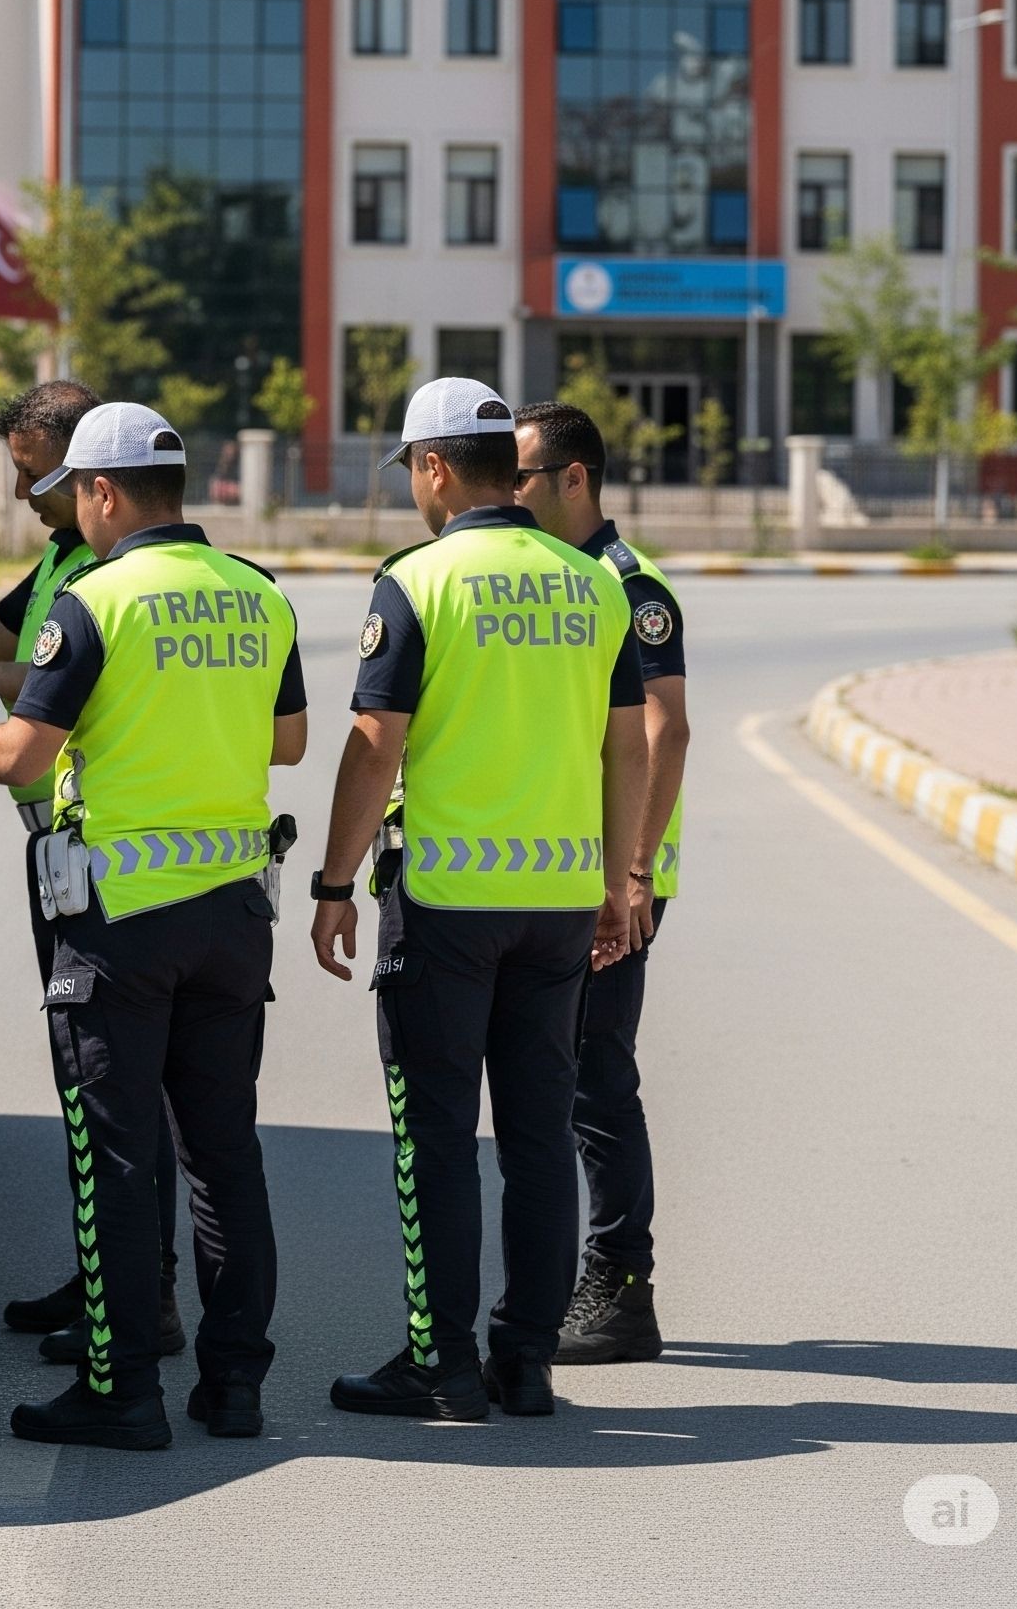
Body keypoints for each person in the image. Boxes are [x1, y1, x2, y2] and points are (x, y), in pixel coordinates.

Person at [0, 403, 306, 1449]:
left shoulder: (91, 601)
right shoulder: (257, 596)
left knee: (117, 1158)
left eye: (69, 493)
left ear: (100, 491)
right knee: (222, 1157)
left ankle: (120, 1388)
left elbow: (23, 757)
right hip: (230, 914)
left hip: (119, 922)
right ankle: (234, 1387)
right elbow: (290, 738)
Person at [309, 376, 648, 1421]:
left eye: (412, 470)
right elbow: (624, 742)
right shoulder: (591, 581)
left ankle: (440, 1361)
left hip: (448, 901)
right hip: (556, 898)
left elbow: (375, 744)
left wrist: (330, 879)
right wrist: (617, 875)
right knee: (540, 1133)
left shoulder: (419, 577)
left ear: (434, 467)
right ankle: (526, 1361)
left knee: (438, 1136)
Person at [0, 380, 186, 1362]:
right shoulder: (65, 554)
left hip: (106, 858)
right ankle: (106, 1276)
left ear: (84, 466)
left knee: (122, 1095)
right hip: (64, 849)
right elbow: (6, 629)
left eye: (30, 475)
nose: (20, 496)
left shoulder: (116, 578)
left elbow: (51, 677)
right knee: (88, 1088)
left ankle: (142, 1301)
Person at [513, 399, 690, 1364]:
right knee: (569, 1077)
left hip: (618, 879)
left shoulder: (628, 582)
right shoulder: (566, 579)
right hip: (576, 873)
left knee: (595, 1081)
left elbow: (667, 728)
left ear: (573, 478)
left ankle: (622, 1287)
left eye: (523, 478)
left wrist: (630, 875)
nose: (508, 493)